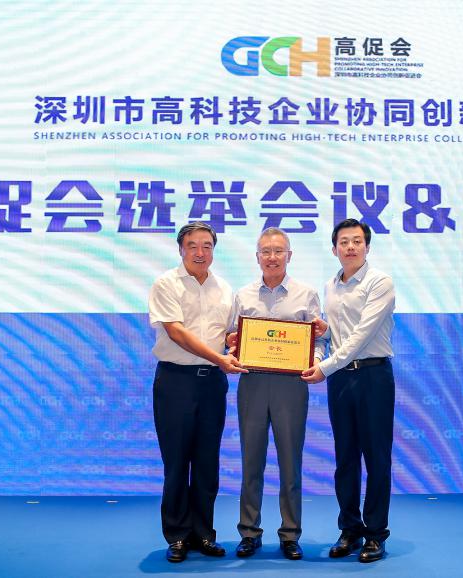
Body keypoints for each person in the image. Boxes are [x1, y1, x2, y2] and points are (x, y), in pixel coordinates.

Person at [148, 221, 247, 564]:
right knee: (177, 462)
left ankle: (204, 533)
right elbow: (176, 333)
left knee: (207, 462)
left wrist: (237, 342)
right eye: (193, 245)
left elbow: (230, 333)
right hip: (176, 381)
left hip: (211, 385)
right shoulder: (166, 283)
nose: (200, 252)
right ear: (181, 249)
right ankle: (177, 535)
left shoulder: (225, 289)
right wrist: (220, 357)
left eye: (207, 246)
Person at [226, 227, 326, 560]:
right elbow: (231, 336)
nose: (272, 257)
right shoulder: (243, 295)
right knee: (251, 460)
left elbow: (319, 339)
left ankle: (290, 534)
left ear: (289, 255)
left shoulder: (306, 294)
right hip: (252, 382)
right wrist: (233, 346)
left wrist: (315, 361)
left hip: (291, 385)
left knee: (290, 462)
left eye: (278, 251)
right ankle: (249, 532)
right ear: (257, 257)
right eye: (265, 252)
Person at [301, 218, 396, 564]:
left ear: (367, 247)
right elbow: (338, 335)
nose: (351, 247)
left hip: (372, 377)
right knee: (345, 458)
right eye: (344, 242)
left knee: (376, 459)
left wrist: (324, 367)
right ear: (334, 249)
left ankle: (375, 534)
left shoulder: (380, 282)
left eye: (357, 241)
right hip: (341, 378)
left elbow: (361, 336)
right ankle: (350, 530)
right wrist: (322, 337)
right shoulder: (331, 285)